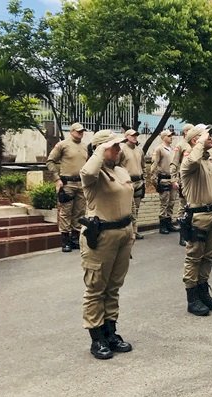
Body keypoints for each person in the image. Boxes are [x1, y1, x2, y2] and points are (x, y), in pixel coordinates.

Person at [79, 130, 134, 360]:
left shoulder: (120, 171)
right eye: (114, 147)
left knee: (113, 287)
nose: (119, 150)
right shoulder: (93, 175)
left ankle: (110, 331)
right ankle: (96, 337)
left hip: (122, 234)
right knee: (96, 288)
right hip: (101, 236)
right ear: (101, 149)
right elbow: (88, 170)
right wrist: (100, 149)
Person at [180, 124, 212, 317]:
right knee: (194, 257)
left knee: (208, 256)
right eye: (205, 135)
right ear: (194, 140)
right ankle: (192, 298)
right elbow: (191, 162)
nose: (210, 136)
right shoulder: (190, 160)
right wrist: (199, 143)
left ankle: (203, 292)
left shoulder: (211, 158)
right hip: (198, 215)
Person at [46, 122, 88, 252]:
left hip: (81, 183)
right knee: (66, 212)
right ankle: (65, 241)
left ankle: (75, 239)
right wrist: (57, 179)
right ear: (71, 132)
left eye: (82, 131)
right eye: (78, 131)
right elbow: (50, 161)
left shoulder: (85, 146)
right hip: (67, 183)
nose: (80, 133)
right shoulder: (63, 145)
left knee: (79, 212)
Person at [117, 129, 146, 239]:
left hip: (138, 181)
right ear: (126, 136)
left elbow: (143, 165)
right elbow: (116, 165)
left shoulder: (139, 150)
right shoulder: (121, 149)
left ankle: (135, 230)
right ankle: (128, 231)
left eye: (136, 135)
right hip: (127, 182)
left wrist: (144, 180)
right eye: (132, 135)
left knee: (136, 208)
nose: (135, 137)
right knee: (129, 208)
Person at [150, 130, 180, 234]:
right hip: (163, 179)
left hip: (172, 179)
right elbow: (154, 165)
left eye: (172, 136)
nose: (171, 137)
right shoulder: (159, 149)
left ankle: (169, 222)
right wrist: (154, 180)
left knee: (171, 202)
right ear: (163, 137)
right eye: (169, 136)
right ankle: (162, 225)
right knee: (164, 203)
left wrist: (176, 179)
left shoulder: (172, 149)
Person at [171, 123, 195, 246]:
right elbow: (174, 163)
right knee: (183, 206)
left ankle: (192, 233)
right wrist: (174, 179)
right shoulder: (181, 145)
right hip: (184, 181)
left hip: (195, 181)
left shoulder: (196, 145)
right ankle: (182, 235)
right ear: (186, 132)